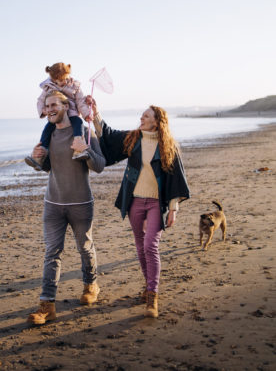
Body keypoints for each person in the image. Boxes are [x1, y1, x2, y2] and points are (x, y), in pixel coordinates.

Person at [87, 96, 190, 318]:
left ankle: (152, 296)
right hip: (134, 201)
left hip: (155, 204)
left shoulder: (167, 146)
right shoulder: (133, 139)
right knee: (140, 246)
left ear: (157, 122)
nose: (141, 118)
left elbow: (175, 178)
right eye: (142, 115)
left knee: (151, 246)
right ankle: (148, 285)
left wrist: (173, 208)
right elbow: (109, 135)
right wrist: (95, 113)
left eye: (146, 116)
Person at [27, 91, 106, 325]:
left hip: (81, 203)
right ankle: (47, 305)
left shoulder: (83, 131)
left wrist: (85, 150)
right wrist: (37, 157)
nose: (49, 109)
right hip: (53, 204)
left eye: (54, 105)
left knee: (85, 247)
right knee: (52, 253)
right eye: (47, 105)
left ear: (65, 106)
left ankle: (91, 285)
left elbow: (99, 165)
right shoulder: (48, 134)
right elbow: (48, 167)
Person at [25, 62, 92, 170]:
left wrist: (86, 114)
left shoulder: (74, 85)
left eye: (66, 78)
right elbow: (41, 100)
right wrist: (44, 111)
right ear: (53, 79)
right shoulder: (48, 87)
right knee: (47, 129)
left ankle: (78, 149)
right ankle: (40, 155)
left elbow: (80, 101)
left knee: (78, 124)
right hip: (55, 115)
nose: (64, 82)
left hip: (72, 113)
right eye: (61, 80)